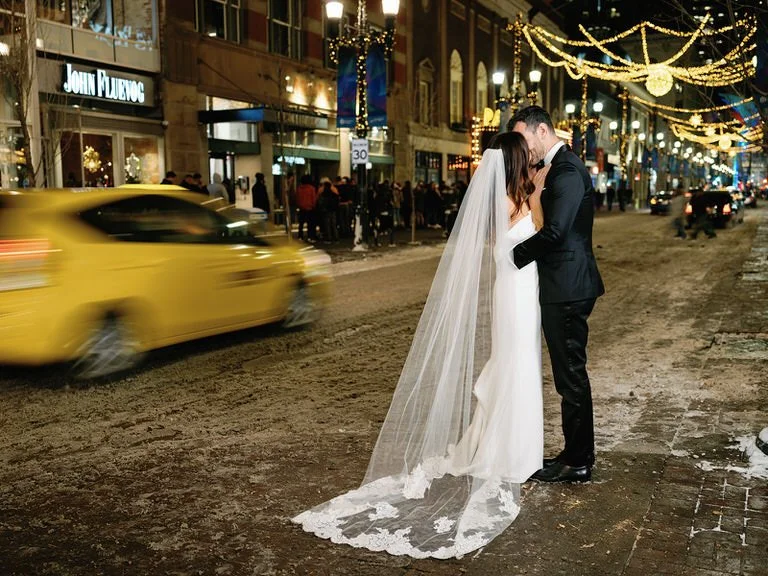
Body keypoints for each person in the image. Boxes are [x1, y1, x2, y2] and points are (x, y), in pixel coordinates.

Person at [293, 132, 547, 558]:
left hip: (521, 289)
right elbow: (532, 234)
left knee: (516, 361)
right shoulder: (509, 202)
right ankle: (509, 450)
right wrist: (537, 194)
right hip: (515, 291)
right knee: (516, 361)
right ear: (516, 162)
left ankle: (509, 443)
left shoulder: (514, 197)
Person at [509, 105, 605, 483]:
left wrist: (512, 255)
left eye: (525, 138)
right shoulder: (557, 167)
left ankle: (578, 460)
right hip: (564, 283)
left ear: (543, 131)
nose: (523, 147)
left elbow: (556, 232)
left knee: (570, 377)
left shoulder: (567, 169)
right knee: (570, 375)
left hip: (567, 285)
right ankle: (576, 452)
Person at [296, 175, 317, 242]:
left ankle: (300, 236)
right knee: (310, 224)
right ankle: (310, 237)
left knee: (301, 223)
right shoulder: (311, 188)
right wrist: (313, 205)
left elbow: (297, 198)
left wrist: (299, 205)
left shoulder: (299, 188)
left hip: (301, 208)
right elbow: (313, 199)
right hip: (310, 208)